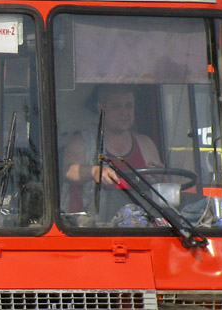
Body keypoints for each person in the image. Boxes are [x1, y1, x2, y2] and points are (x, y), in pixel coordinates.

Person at [62, 85, 162, 216]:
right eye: (117, 106)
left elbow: (163, 187)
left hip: (141, 227)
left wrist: (161, 175)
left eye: (129, 106)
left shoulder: (146, 144)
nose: (125, 112)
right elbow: (68, 172)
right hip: (93, 229)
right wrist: (95, 171)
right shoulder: (81, 142)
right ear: (101, 109)